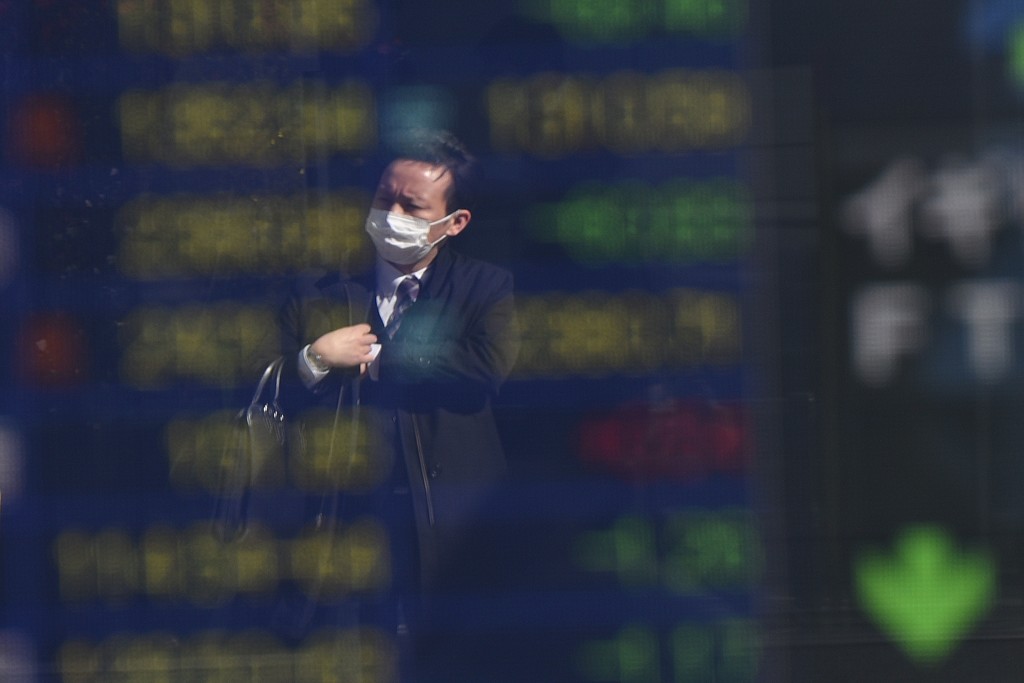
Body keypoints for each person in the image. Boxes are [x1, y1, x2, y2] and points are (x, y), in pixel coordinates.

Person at [277, 131, 520, 674]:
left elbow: (485, 369)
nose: (392, 215)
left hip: (451, 528)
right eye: (385, 198)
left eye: (412, 206)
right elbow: (266, 387)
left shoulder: (484, 287)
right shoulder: (318, 291)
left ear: (454, 222)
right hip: (348, 525)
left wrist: (386, 360)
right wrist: (314, 358)